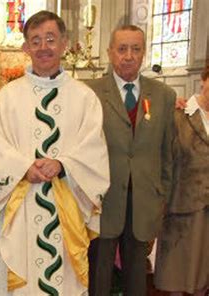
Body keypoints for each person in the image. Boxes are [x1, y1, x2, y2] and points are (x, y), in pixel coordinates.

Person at [0, 11, 110, 295]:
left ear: (64, 44)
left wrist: (63, 163)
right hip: (21, 205)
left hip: (67, 205)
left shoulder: (85, 97)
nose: (44, 47)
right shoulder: (7, 97)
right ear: (26, 48)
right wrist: (24, 167)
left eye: (50, 39)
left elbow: (94, 147)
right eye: (35, 40)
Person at [86, 25, 176, 296]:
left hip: (144, 203)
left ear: (144, 53)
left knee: (137, 279)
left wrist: (163, 197)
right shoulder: (89, 93)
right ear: (110, 52)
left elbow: (167, 153)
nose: (128, 55)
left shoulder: (164, 96)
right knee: (98, 276)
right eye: (122, 48)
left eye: (135, 49)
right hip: (102, 202)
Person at [153, 65, 209, 296]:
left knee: (202, 277)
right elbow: (163, 160)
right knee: (178, 277)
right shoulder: (179, 113)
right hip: (184, 206)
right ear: (204, 80)